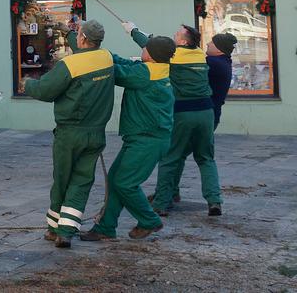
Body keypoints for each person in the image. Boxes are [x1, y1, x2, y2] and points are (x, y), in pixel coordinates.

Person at [24, 19, 115, 248]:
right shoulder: (106, 58)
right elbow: (85, 49)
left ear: (83, 38)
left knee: (62, 179)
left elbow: (45, 90)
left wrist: (27, 84)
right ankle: (66, 232)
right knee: (82, 181)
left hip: (70, 132)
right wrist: (68, 32)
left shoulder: (70, 65)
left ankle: (54, 229)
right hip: (96, 134)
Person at [80, 35, 175, 241]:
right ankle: (105, 228)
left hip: (148, 139)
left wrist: (88, 54)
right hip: (142, 138)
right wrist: (101, 53)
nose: (143, 49)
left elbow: (116, 72)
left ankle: (149, 220)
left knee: (125, 183)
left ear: (150, 54)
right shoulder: (155, 69)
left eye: (146, 47)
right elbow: (123, 62)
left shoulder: (145, 74)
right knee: (115, 179)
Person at [122, 21, 222, 217]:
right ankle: (214, 200)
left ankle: (161, 203)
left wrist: (133, 30)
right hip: (206, 112)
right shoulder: (200, 54)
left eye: (178, 34)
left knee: (170, 157)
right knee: (206, 158)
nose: (175, 35)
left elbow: (152, 46)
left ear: (184, 41)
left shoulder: (174, 56)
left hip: (183, 112)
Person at [206, 32, 236, 129]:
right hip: (213, 112)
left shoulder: (214, 63)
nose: (208, 44)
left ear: (219, 49)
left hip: (209, 113)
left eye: (212, 42)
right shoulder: (223, 61)